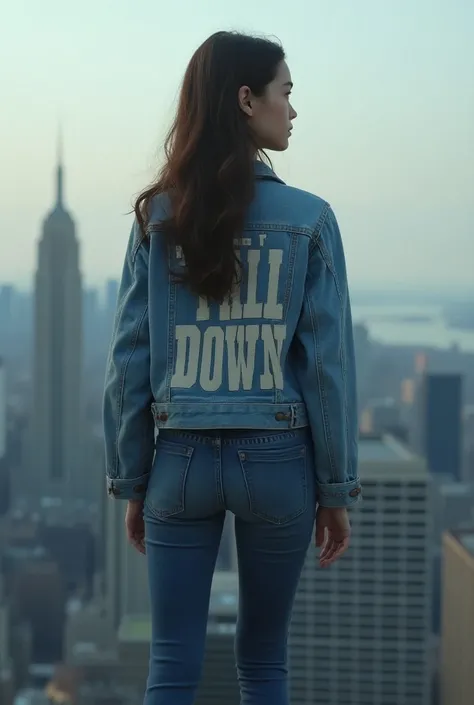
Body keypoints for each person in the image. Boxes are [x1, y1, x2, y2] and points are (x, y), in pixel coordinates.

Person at [103, 30, 361, 705]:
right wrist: (334, 490)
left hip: (178, 461)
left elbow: (129, 359)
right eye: (286, 93)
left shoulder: (158, 219)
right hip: (278, 463)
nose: (293, 110)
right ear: (247, 100)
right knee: (264, 662)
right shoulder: (310, 220)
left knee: (171, 663)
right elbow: (327, 371)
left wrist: (132, 478)